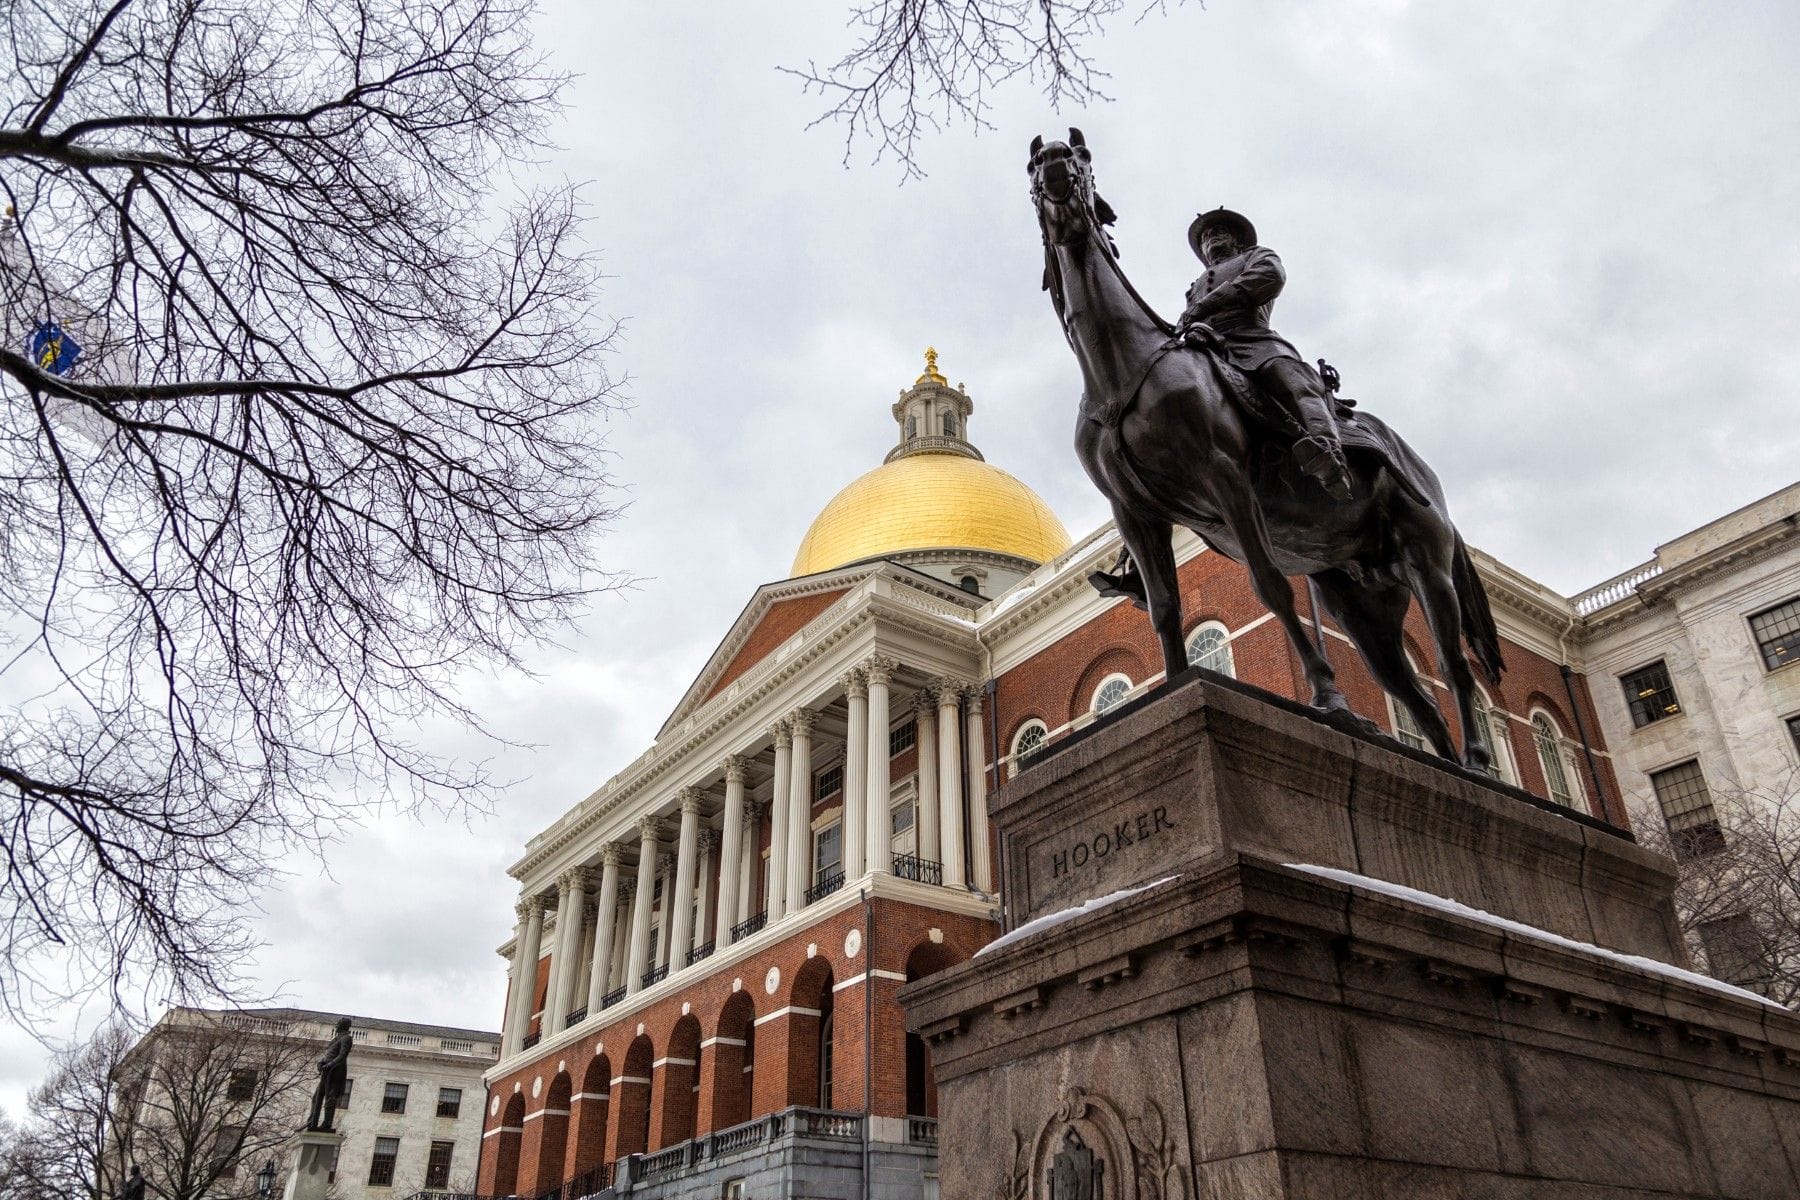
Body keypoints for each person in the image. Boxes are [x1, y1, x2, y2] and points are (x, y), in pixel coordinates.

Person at [1174, 208, 1352, 500]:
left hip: (1253, 340)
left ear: (1237, 240)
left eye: (1220, 232)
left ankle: (1329, 454)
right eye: (1206, 236)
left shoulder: (1256, 256)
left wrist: (1205, 306)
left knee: (1291, 379)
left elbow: (1270, 277)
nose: (1211, 238)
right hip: (1208, 349)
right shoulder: (1194, 286)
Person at [305, 1017, 353, 1132]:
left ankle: (327, 1124)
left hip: (336, 1072)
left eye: (338, 1024)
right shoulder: (335, 1039)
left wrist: (330, 1065)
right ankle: (312, 1121)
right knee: (316, 1097)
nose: (336, 1026)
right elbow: (327, 1056)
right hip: (326, 1072)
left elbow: (342, 1056)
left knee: (330, 1098)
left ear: (343, 1026)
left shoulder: (347, 1038)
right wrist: (321, 1063)